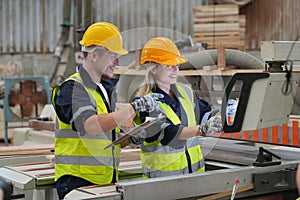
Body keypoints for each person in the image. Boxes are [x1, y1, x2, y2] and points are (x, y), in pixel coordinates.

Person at [51, 22, 162, 199]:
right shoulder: (72, 89)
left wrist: (132, 136)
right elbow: (91, 126)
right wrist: (134, 108)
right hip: (77, 183)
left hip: (103, 180)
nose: (117, 62)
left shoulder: (102, 90)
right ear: (94, 55)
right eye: (112, 56)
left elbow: (105, 136)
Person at [135, 37, 223, 178]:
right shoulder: (145, 102)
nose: (176, 69)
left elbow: (205, 113)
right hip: (163, 181)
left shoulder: (185, 91)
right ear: (154, 69)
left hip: (194, 177)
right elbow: (168, 133)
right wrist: (202, 129)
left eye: (176, 64)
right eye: (169, 65)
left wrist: (220, 116)